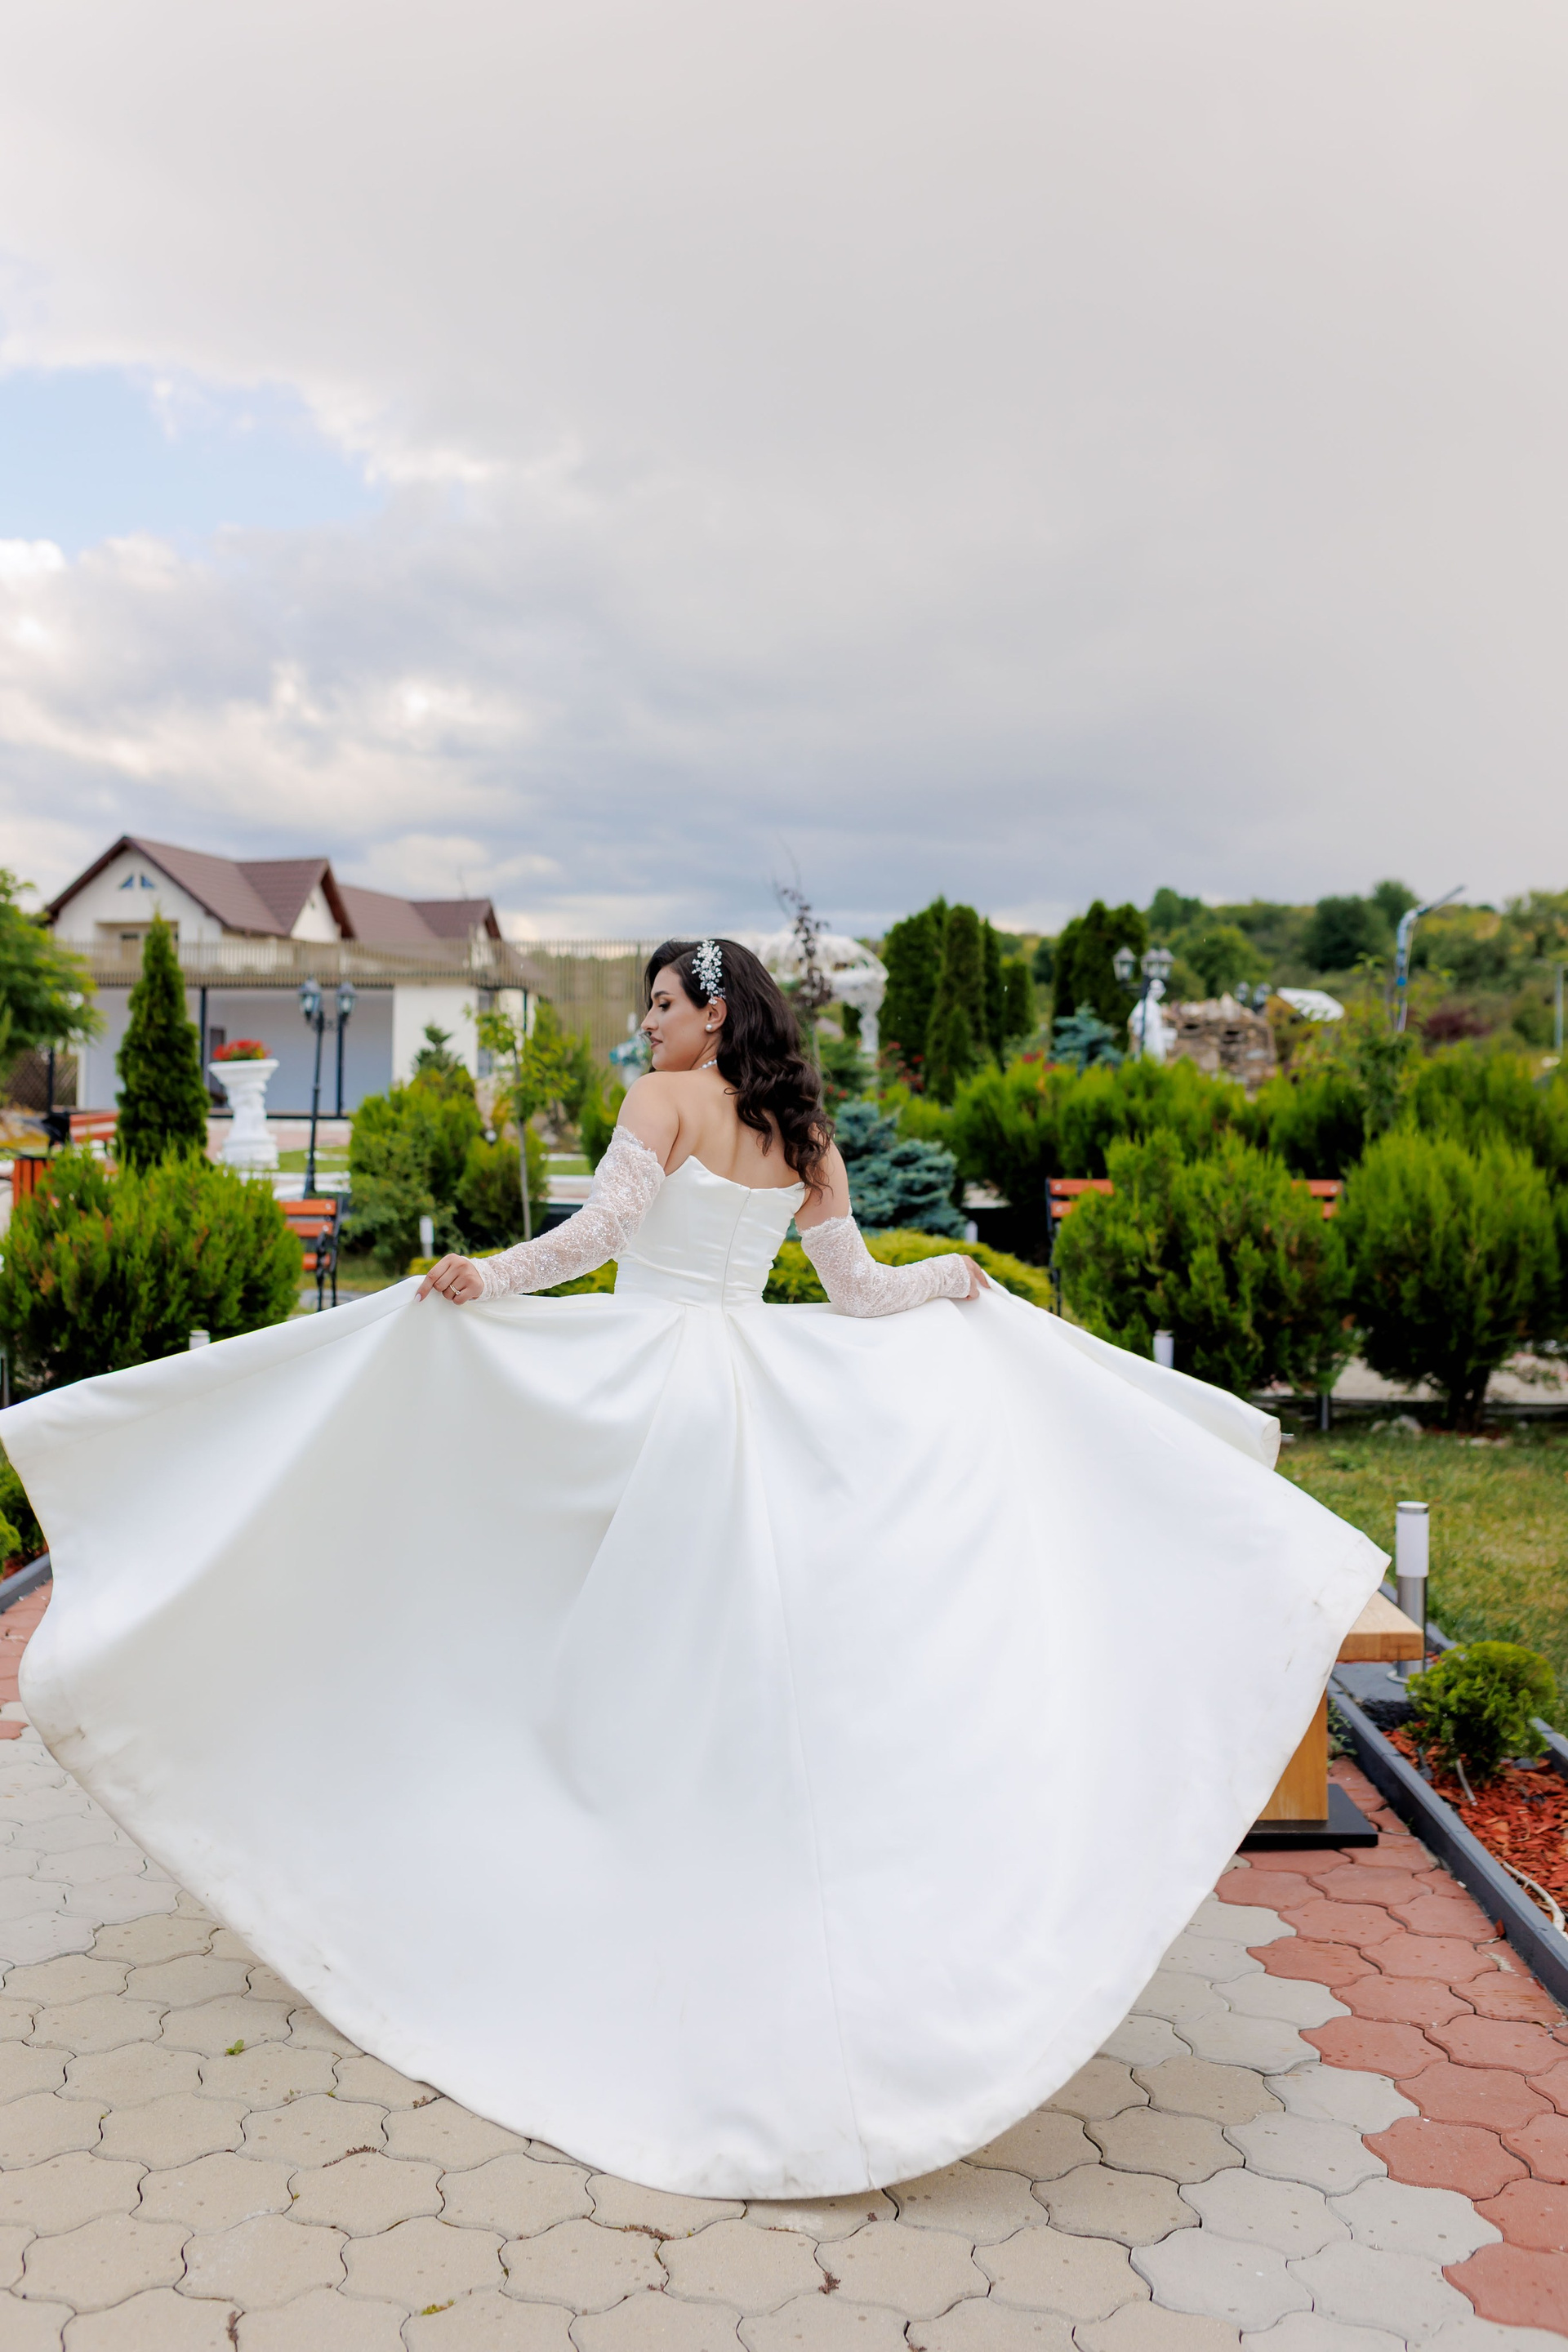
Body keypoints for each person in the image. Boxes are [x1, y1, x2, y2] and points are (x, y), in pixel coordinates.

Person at [2, 937, 1383, 2201]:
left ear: (714, 1014)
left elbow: (603, 1235)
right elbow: (858, 1293)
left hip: (644, 1385)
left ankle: (547, 1840)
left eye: (662, 1005)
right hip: (744, 1397)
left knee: (539, 1594)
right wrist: (955, 1281)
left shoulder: (662, 1102)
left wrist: (492, 1276)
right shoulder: (804, 1132)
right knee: (709, 1642)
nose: (646, 1026)